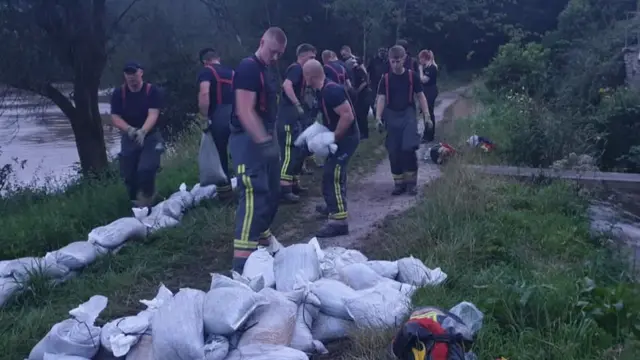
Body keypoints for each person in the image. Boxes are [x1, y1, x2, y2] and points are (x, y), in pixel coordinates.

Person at [229, 27, 287, 272]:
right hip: (248, 140)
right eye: (272, 51)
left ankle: (263, 242)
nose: (275, 57)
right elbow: (244, 110)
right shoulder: (249, 68)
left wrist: (271, 143)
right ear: (262, 41)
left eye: (279, 54)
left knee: (273, 192)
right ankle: (241, 264)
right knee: (253, 194)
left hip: (265, 136)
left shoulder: (266, 69)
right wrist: (262, 141)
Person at [303, 59, 359, 238]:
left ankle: (338, 221)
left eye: (305, 75)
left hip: (346, 138)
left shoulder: (331, 91)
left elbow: (347, 116)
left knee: (331, 174)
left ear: (310, 76)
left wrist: (333, 137)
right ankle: (333, 205)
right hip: (339, 138)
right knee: (333, 172)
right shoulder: (322, 91)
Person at [375, 46, 431, 196]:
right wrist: (378, 117)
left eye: (398, 61)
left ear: (404, 59)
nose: (395, 64)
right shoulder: (385, 79)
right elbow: (381, 98)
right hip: (391, 115)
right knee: (394, 151)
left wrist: (427, 115)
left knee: (408, 148)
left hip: (408, 114)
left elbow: (421, 96)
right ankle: (398, 183)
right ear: (389, 61)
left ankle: (411, 183)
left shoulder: (412, 76)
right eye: (392, 61)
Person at [110, 62, 163, 208]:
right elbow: (115, 117)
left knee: (146, 169)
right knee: (129, 174)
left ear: (141, 73)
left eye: (134, 73)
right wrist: (130, 130)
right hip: (130, 136)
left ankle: (148, 200)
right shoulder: (118, 93)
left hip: (150, 135)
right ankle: (134, 203)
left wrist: (143, 131)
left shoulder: (151, 91)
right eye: (128, 74)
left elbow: (153, 114)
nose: (131, 77)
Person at [278, 43, 317, 204]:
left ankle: (293, 183)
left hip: (294, 116)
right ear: (302, 56)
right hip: (288, 116)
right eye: (311, 57)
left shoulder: (301, 71)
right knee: (289, 151)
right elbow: (286, 85)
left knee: (297, 151)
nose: (313, 61)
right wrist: (297, 104)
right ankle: (284, 189)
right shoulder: (296, 69)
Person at [196, 48, 235, 202]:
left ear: (204, 62)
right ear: (218, 57)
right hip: (236, 115)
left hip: (218, 117)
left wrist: (204, 117)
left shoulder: (206, 72)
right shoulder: (231, 72)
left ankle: (226, 196)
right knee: (238, 152)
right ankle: (247, 189)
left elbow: (204, 93)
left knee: (220, 156)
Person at [346, 58, 372, 140]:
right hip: (358, 96)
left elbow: (365, 82)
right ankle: (360, 132)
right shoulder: (352, 71)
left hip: (364, 95)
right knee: (358, 114)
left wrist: (357, 91)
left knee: (362, 114)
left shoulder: (359, 70)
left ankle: (365, 133)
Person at [418, 49, 439, 143]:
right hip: (426, 91)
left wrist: (420, 70)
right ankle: (427, 133)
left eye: (420, 58)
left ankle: (429, 135)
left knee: (429, 112)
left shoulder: (431, 68)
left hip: (430, 91)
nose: (419, 61)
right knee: (425, 112)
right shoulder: (427, 67)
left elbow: (423, 80)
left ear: (424, 58)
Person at [367, 47, 388, 117]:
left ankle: (383, 116)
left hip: (385, 84)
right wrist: (368, 83)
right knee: (373, 101)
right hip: (374, 84)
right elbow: (368, 72)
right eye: (381, 51)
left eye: (384, 52)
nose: (382, 53)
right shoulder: (373, 60)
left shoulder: (387, 61)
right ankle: (376, 115)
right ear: (378, 52)